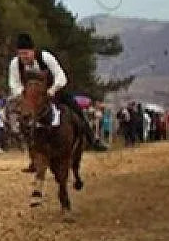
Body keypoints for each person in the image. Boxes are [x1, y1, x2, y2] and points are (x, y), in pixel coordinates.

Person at [8, 32, 109, 163]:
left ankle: (92, 139)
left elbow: (61, 76)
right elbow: (14, 83)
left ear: (33, 51)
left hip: (54, 93)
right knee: (19, 116)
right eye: (21, 54)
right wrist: (24, 94)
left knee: (77, 110)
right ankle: (31, 151)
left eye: (26, 53)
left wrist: (52, 90)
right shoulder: (15, 64)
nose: (23, 57)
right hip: (31, 98)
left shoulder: (46, 57)